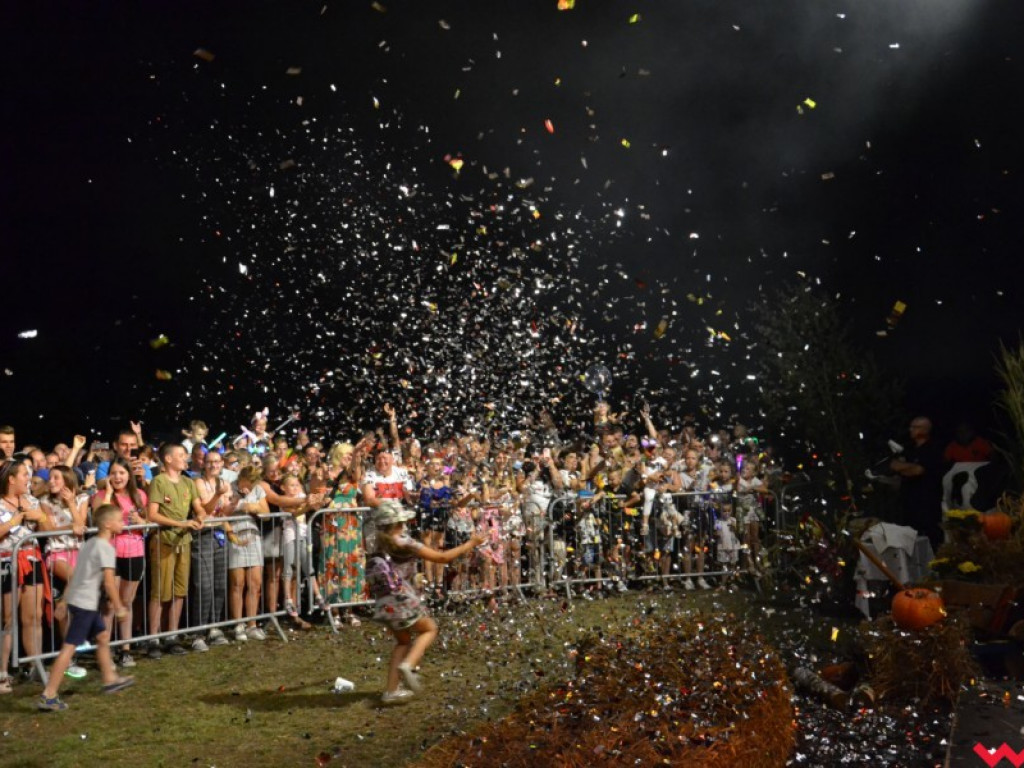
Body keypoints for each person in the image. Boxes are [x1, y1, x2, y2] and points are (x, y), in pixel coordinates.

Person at [366, 500, 484, 705]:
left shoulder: (376, 543)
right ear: (398, 522)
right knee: (429, 629)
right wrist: (470, 544)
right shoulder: (406, 542)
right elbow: (442, 557)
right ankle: (409, 665)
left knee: (403, 642)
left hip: (384, 602)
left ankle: (391, 691)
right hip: (402, 599)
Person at [37, 503, 135, 711]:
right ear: (108, 524)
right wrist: (119, 607)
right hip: (86, 604)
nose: (123, 523)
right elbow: (109, 582)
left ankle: (109, 678)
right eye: (119, 520)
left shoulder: (89, 544)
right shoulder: (106, 548)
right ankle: (49, 694)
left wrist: (64, 601)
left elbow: (75, 574)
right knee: (69, 648)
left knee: (102, 637)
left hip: (78, 601)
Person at [145, 443, 205, 657]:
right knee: (160, 591)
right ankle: (153, 637)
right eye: (180, 455)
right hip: (164, 541)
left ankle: (172, 635)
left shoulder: (189, 482)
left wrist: (200, 516)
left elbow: (198, 508)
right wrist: (182, 524)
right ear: (168, 459)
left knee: (179, 591)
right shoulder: (159, 481)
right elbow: (152, 514)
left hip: (184, 542)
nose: (185, 458)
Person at [1, 458, 51, 691]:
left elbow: (47, 527)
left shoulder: (31, 499)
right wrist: (14, 520)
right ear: (11, 479)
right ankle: (2, 673)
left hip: (32, 560)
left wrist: (38, 516)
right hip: (7, 564)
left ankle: (35, 666)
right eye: (24, 474)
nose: (28, 478)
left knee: (34, 616)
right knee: (8, 619)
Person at [92, 458, 147, 667]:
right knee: (109, 603)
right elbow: (99, 517)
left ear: (129, 476)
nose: (117, 477)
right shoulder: (100, 496)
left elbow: (147, 520)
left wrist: (141, 522)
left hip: (134, 551)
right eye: (113, 473)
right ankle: (105, 652)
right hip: (110, 553)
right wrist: (107, 493)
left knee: (126, 602)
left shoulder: (139, 495)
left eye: (122, 473)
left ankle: (125, 648)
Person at [226, 465, 268, 642]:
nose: (250, 486)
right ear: (241, 478)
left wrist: (251, 506)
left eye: (253, 483)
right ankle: (238, 624)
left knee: (255, 583)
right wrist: (238, 502)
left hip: (253, 536)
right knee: (238, 583)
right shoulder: (229, 486)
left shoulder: (257, 489)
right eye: (248, 482)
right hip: (234, 535)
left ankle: (252, 624)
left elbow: (266, 513)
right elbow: (224, 511)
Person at [890, 417, 945, 550]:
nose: (911, 430)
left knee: (929, 541)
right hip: (909, 504)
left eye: (915, 427)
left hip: (927, 504)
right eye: (911, 427)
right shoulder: (910, 449)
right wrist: (905, 467)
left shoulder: (932, 448)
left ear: (925, 430)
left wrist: (902, 467)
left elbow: (918, 470)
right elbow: (900, 467)